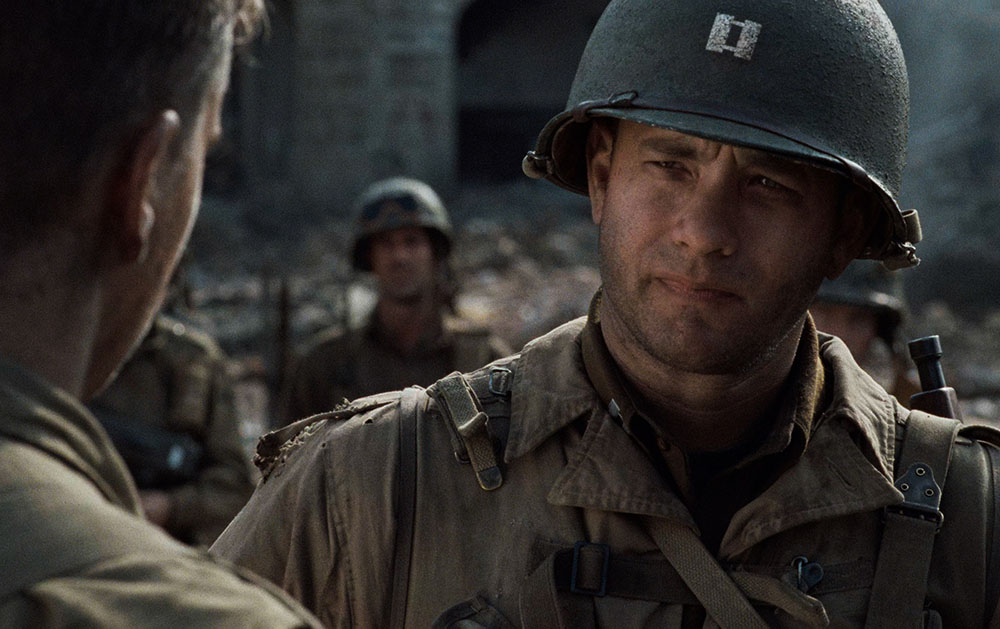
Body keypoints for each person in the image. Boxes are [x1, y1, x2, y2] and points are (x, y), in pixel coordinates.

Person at [212, 1, 1000, 627]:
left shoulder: (975, 523)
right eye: (670, 164)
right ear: (599, 179)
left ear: (844, 235)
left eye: (769, 185)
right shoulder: (371, 489)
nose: (703, 231)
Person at [0, 2, 322, 626]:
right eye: (205, 150)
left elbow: (233, 482)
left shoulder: (190, 364)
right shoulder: (197, 616)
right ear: (142, 184)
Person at [283, 177, 510, 422]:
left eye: (411, 241)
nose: (399, 256)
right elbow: (290, 445)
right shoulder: (326, 367)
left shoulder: (484, 359)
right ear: (369, 257)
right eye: (386, 244)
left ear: (434, 252)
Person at [89, 314, 254, 547]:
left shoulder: (192, 359)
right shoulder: (64, 351)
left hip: (166, 545)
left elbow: (234, 490)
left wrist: (169, 507)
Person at [810, 260, 921, 404]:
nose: (839, 335)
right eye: (824, 312)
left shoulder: (906, 405)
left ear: (880, 329)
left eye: (859, 318)